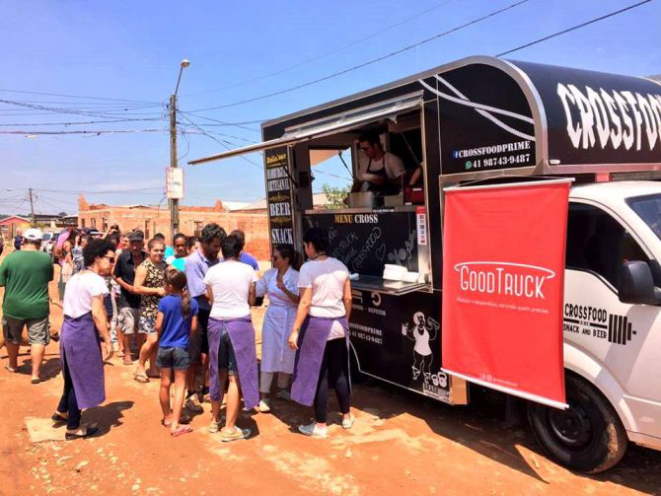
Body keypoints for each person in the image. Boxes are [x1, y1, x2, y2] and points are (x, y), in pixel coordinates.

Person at [288, 227, 353, 439]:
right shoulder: (341, 266)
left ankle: (321, 426)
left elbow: (305, 302)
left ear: (311, 246)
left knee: (320, 374)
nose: (305, 249)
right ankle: (346, 417)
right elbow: (348, 299)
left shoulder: (308, 268)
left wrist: (295, 330)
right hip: (338, 325)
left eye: (306, 245)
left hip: (318, 326)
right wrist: (345, 321)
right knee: (340, 371)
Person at [52, 238, 115, 439]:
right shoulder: (96, 280)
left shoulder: (77, 276)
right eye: (110, 259)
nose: (112, 264)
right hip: (82, 332)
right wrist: (108, 339)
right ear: (97, 258)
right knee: (81, 379)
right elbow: (97, 313)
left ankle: (62, 412)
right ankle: (73, 428)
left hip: (68, 330)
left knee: (71, 376)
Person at [204, 234, 258, 442]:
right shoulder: (248, 270)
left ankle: (215, 420)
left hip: (216, 321)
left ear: (222, 251)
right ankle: (229, 428)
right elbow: (251, 298)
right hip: (239, 323)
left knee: (218, 371)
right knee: (236, 376)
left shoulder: (212, 271)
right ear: (240, 251)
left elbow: (211, 298)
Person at [0, 228, 54, 383]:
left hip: (13, 307)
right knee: (37, 340)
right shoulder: (46, 259)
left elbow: (1, 281)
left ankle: (13, 365)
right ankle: (35, 374)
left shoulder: (11, 258)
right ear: (40, 243)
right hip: (38, 307)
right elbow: (49, 278)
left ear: (22, 241)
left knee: (11, 337)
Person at [184, 223, 225, 412]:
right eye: (215, 246)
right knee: (193, 355)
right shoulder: (193, 262)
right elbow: (200, 291)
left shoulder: (218, 261)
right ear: (205, 243)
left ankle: (207, 388)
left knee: (211, 352)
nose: (218, 250)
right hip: (197, 313)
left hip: (213, 312)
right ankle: (190, 392)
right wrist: (224, 296)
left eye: (219, 246)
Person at [256, 244, 299, 413]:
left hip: (290, 317)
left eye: (276, 257)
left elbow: (300, 299)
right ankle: (264, 395)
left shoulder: (296, 277)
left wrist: (285, 289)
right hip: (273, 318)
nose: (272, 260)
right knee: (269, 352)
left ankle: (282, 388)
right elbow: (258, 291)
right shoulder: (269, 275)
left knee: (288, 353)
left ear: (286, 259)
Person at [156, 267, 199, 436]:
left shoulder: (164, 302)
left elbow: (158, 326)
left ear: (169, 285)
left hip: (165, 347)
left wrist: (164, 333)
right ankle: (176, 422)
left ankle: (167, 417)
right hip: (181, 347)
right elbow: (194, 327)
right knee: (180, 386)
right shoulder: (192, 302)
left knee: (165, 383)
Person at [133, 237, 166, 382]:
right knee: (151, 340)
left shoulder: (166, 266)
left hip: (162, 310)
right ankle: (140, 366)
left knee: (157, 341)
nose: (159, 253)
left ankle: (153, 368)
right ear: (150, 251)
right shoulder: (144, 267)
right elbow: (136, 287)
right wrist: (156, 290)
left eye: (161, 250)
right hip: (148, 309)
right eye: (156, 250)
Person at [113, 230, 146, 366]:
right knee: (128, 327)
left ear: (142, 243)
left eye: (138, 243)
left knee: (140, 328)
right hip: (126, 299)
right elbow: (115, 276)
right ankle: (127, 353)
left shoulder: (147, 258)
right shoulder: (122, 257)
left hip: (143, 300)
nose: (135, 247)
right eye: (133, 243)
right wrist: (127, 287)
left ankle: (139, 351)